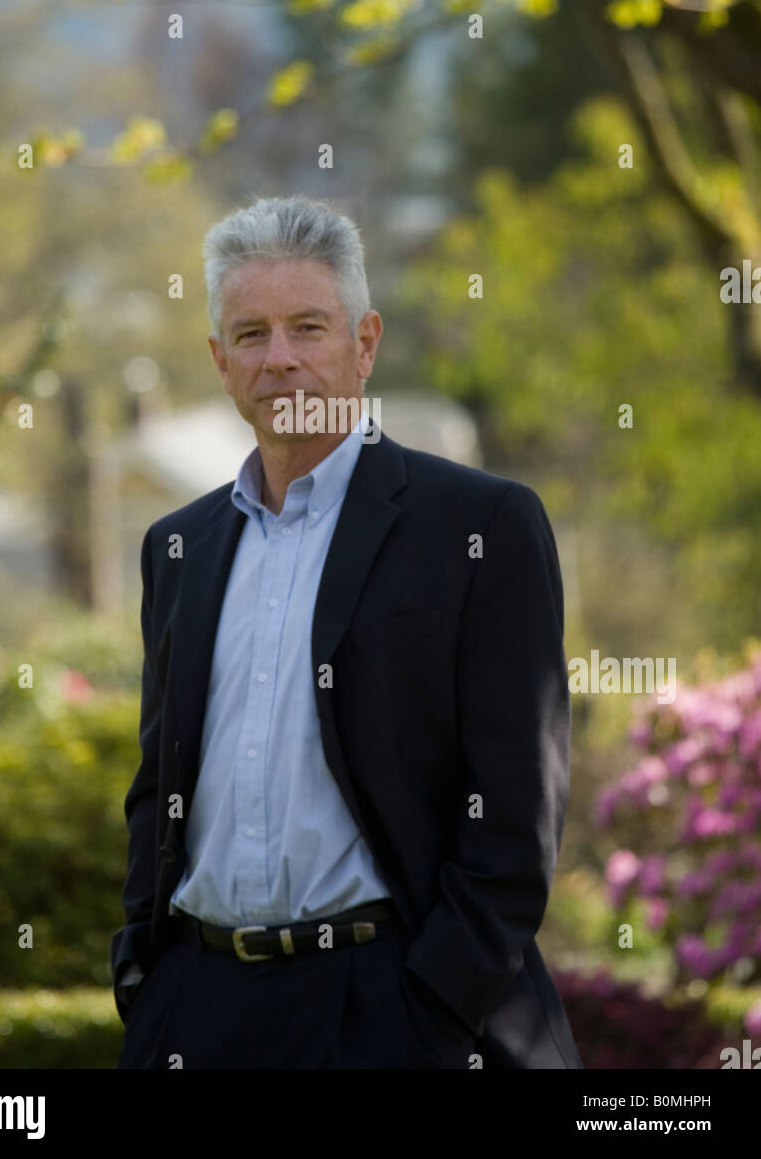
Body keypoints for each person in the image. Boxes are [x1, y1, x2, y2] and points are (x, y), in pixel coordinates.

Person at [111, 195, 583, 1069]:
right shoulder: (177, 547)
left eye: (307, 328)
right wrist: (144, 975)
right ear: (220, 363)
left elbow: (517, 808)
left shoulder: (480, 526)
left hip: (386, 1008)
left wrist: (432, 1001)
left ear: (364, 344)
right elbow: (158, 787)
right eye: (250, 335)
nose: (279, 359)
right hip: (198, 1010)